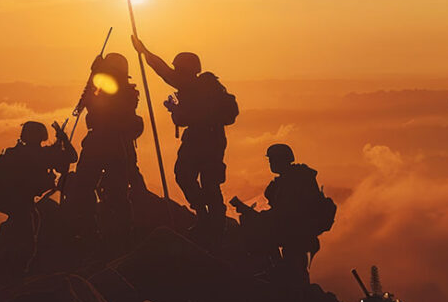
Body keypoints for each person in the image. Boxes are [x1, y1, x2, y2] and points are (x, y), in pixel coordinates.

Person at [131, 35, 237, 232]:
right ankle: (212, 218)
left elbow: (163, 71)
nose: (176, 72)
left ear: (186, 70)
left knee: (186, 175)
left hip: (199, 140)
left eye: (179, 68)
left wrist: (144, 52)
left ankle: (207, 216)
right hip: (214, 140)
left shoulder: (191, 86)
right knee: (209, 181)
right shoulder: (204, 89)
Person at [63, 52, 144, 244]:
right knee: (116, 190)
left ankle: (91, 231)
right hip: (116, 144)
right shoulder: (126, 91)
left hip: (100, 140)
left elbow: (98, 103)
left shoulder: (110, 87)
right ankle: (121, 231)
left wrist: (95, 72)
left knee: (85, 185)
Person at [232, 144, 335, 285]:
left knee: (295, 274)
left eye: (272, 160)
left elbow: (285, 214)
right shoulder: (290, 180)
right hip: (296, 236)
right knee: (294, 272)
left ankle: (298, 298)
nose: (270, 163)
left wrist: (254, 215)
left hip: (297, 237)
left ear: (281, 160)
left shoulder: (293, 182)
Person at [0, 121, 77, 249]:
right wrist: (63, 139)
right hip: (21, 201)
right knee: (26, 234)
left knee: (22, 225)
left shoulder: (13, 153)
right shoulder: (40, 155)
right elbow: (71, 157)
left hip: (13, 201)